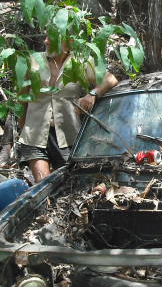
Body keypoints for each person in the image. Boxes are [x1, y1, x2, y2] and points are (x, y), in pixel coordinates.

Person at [18, 34, 118, 182]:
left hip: (67, 136)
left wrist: (92, 94)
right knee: (44, 184)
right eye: (46, 36)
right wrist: (23, 128)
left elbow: (110, 79)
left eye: (51, 38)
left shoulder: (80, 62)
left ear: (69, 42)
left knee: (68, 183)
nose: (45, 41)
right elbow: (22, 98)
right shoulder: (32, 61)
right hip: (34, 134)